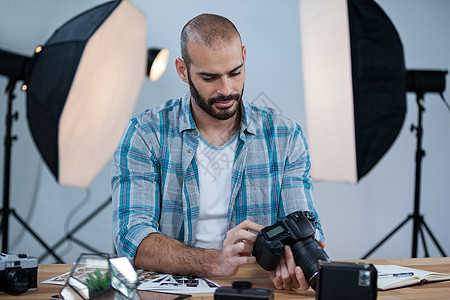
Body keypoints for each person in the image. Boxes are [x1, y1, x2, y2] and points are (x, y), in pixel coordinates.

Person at [112, 13, 324, 291]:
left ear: (244, 57)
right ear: (182, 70)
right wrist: (215, 262)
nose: (226, 90)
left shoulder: (285, 136)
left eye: (235, 73)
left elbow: (306, 225)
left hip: (255, 288)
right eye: (210, 77)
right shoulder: (145, 133)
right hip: (167, 292)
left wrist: (293, 260)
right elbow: (131, 239)